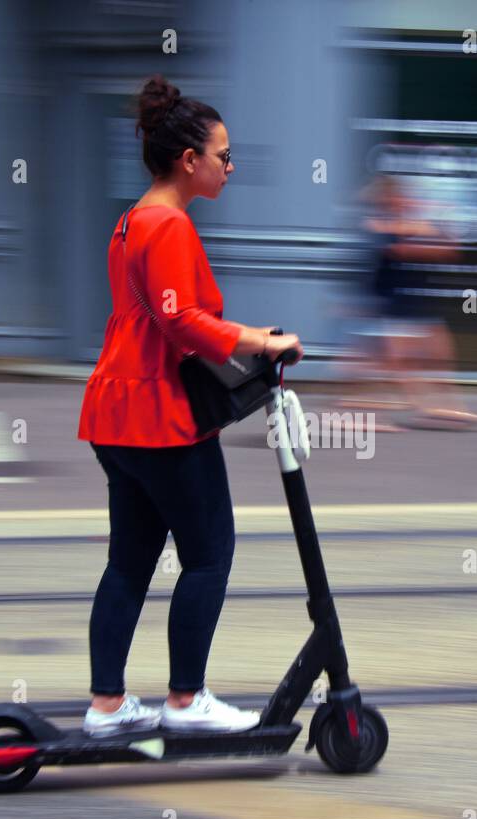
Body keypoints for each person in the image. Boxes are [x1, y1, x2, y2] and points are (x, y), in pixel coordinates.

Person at [76, 75, 303, 737]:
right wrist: (262, 339)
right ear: (189, 160)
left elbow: (164, 318)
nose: (230, 167)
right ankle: (186, 699)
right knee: (208, 554)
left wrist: (240, 338)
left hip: (115, 412)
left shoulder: (128, 222)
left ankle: (107, 706)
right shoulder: (167, 224)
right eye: (223, 155)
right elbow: (182, 323)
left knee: (129, 560)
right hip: (158, 415)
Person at [344, 175, 477, 429]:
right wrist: (427, 227)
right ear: (389, 199)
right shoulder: (380, 225)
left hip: (416, 303)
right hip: (391, 304)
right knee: (393, 364)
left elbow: (449, 249)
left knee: (438, 356)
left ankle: (449, 406)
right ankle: (415, 408)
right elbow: (406, 249)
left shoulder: (407, 223)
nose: (406, 201)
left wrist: (433, 227)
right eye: (400, 197)